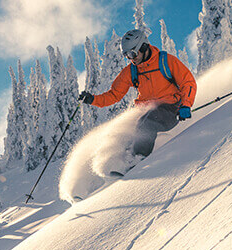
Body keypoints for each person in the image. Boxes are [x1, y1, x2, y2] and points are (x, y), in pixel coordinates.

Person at [79, 28, 197, 171]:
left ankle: (137, 161)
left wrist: (185, 105)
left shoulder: (166, 61)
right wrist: (92, 100)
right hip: (145, 111)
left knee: (146, 123)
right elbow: (114, 95)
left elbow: (188, 82)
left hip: (171, 110)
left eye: (133, 53)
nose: (131, 58)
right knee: (123, 133)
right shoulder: (132, 71)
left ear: (144, 47)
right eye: (127, 55)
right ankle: (113, 169)